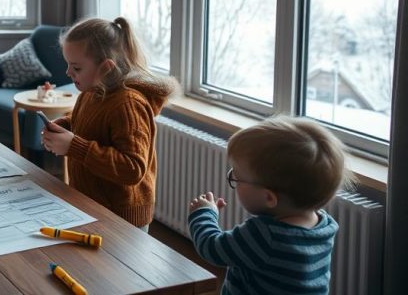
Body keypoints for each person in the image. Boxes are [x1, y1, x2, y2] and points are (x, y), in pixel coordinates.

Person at [187, 116, 353, 294]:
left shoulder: (265, 236)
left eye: (236, 178)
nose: (234, 182)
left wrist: (204, 213)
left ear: (269, 198)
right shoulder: (324, 225)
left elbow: (212, 248)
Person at [40, 17, 176, 230]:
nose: (68, 73)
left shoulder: (128, 104)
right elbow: (89, 125)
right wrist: (66, 126)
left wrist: (74, 146)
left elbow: (133, 168)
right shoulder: (91, 92)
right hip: (92, 204)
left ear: (105, 68)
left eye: (76, 67)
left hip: (122, 218)